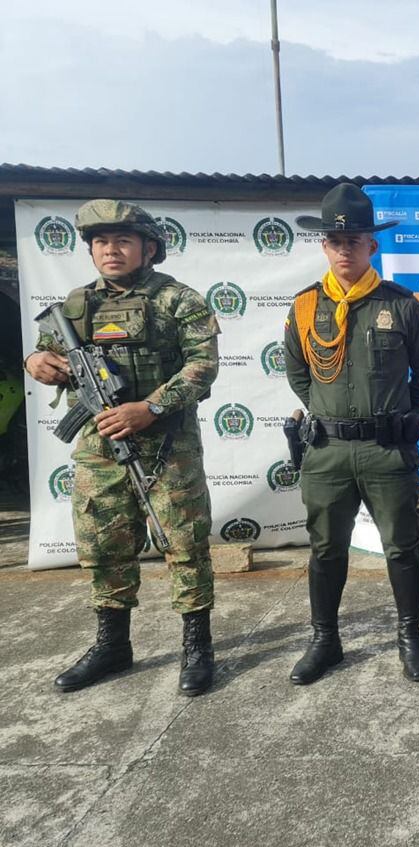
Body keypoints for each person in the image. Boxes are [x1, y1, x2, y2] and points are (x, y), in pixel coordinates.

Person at [25, 200, 220, 696]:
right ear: (91, 250)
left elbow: (202, 366)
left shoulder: (179, 300)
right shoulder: (74, 305)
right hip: (98, 443)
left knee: (184, 542)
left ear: (148, 249)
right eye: (101, 243)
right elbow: (47, 349)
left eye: (123, 241)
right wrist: (36, 360)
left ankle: (197, 647)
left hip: (165, 444)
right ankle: (113, 645)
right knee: (102, 542)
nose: (111, 250)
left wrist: (149, 408)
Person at [283, 183, 419, 685]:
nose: (345, 249)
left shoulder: (403, 305)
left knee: (401, 547)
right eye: (335, 240)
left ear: (373, 245)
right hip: (326, 452)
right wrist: (329, 412)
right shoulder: (305, 307)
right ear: (324, 246)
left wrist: (399, 416)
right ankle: (325, 641)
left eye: (355, 241)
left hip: (386, 450)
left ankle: (410, 637)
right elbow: (298, 374)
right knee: (326, 549)